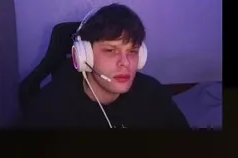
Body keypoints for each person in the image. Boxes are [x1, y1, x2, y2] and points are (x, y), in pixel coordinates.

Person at [20, 4, 189, 129]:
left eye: (132, 51)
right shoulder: (49, 109)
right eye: (110, 50)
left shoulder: (153, 94)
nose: (125, 62)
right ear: (84, 56)